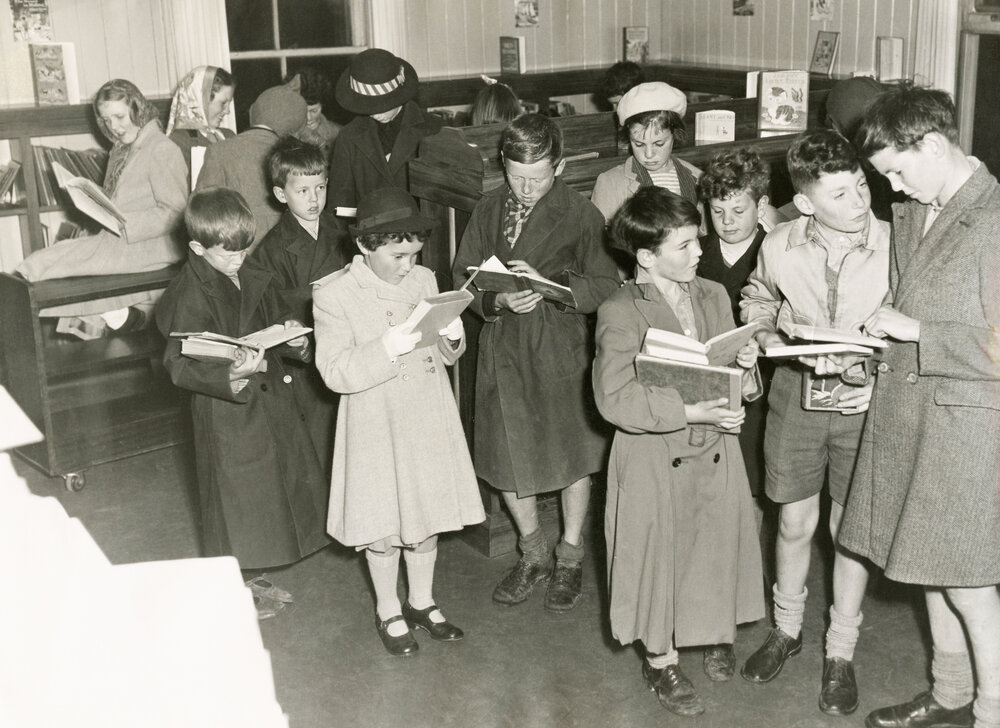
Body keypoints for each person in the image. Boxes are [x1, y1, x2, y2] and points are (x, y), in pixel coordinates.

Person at [839, 85, 1000, 728]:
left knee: (969, 585)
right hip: (910, 416)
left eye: (897, 172)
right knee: (928, 568)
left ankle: (993, 711)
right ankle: (951, 693)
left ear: (931, 144)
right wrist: (866, 348)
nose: (895, 190)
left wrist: (916, 334)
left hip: (969, 425)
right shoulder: (916, 212)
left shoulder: (993, 217)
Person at [593, 187, 764, 717]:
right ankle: (661, 659)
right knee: (656, 559)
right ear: (646, 256)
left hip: (714, 445)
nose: (699, 253)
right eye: (686, 245)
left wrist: (746, 366)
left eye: (698, 242)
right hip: (654, 453)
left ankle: (710, 631)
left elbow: (729, 373)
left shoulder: (712, 292)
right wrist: (693, 412)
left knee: (711, 549)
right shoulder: (621, 310)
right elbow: (613, 398)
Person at [738, 129, 890, 717]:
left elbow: (912, 326)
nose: (859, 203)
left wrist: (872, 366)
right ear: (805, 203)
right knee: (795, 523)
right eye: (841, 195)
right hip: (796, 399)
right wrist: (770, 334)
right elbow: (757, 298)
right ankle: (786, 628)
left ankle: (841, 651)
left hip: (863, 407)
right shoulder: (777, 243)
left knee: (847, 533)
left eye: (860, 187)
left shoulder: (894, 243)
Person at [451, 114, 619, 614]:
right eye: (516, 176)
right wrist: (496, 303)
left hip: (558, 348)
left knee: (571, 459)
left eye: (538, 178)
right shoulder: (486, 208)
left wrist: (553, 288)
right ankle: (533, 553)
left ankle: (570, 557)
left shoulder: (582, 214)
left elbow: (606, 286)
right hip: (504, 348)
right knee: (506, 461)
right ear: (502, 166)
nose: (525, 189)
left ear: (560, 167)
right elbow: (463, 277)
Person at [312, 187, 485, 656]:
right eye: (397, 255)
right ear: (365, 247)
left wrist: (452, 339)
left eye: (414, 253)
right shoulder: (335, 294)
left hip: (427, 413)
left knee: (426, 517)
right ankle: (388, 608)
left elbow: (446, 356)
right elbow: (333, 371)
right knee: (383, 524)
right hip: (375, 421)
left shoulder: (426, 279)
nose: (408, 264)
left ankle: (422, 602)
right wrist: (388, 346)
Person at [155, 187, 331, 618]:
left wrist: (296, 342)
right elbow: (177, 364)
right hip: (226, 410)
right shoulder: (188, 293)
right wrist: (230, 373)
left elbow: (274, 323)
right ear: (197, 247)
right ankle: (229, 585)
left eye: (244, 249)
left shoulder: (250, 272)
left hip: (270, 401)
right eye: (228, 253)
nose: (239, 259)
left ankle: (249, 571)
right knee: (231, 499)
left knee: (269, 490)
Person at [16, 78, 187, 337]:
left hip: (150, 246)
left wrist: (122, 222)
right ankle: (116, 319)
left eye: (119, 116)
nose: (114, 127)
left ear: (137, 109)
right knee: (56, 256)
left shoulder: (161, 149)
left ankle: (118, 318)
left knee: (45, 264)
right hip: (125, 240)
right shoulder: (123, 150)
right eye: (106, 120)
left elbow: (175, 212)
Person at [245, 136, 350, 478]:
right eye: (302, 191)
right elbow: (269, 310)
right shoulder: (271, 251)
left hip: (351, 350)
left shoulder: (343, 232)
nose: (314, 199)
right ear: (280, 195)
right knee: (323, 454)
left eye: (319, 187)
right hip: (308, 366)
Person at [696, 147, 773, 513]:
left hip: (759, 389)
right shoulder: (695, 254)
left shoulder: (773, 254)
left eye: (738, 211)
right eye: (717, 211)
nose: (727, 221)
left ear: (762, 205)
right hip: (704, 383)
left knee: (751, 484)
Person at [328, 48, 443, 210]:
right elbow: (339, 206)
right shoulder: (348, 137)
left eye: (381, 104)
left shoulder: (434, 131)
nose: (373, 112)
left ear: (399, 94)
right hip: (368, 233)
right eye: (365, 105)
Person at [196, 85, 307, 250]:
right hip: (290, 249)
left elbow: (201, 212)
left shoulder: (219, 150)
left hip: (238, 249)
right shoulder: (297, 155)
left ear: (254, 112)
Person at [591, 81, 702, 223]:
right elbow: (600, 241)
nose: (648, 154)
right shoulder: (610, 183)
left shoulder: (698, 178)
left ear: (675, 134)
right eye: (639, 144)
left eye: (659, 143)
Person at [165, 65, 236, 185]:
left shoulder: (228, 136)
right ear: (201, 101)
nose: (228, 111)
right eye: (223, 103)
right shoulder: (179, 141)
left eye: (229, 104)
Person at [284, 67, 341, 160]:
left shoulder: (338, 134)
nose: (308, 118)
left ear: (323, 105)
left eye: (314, 111)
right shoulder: (284, 134)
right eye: (302, 111)